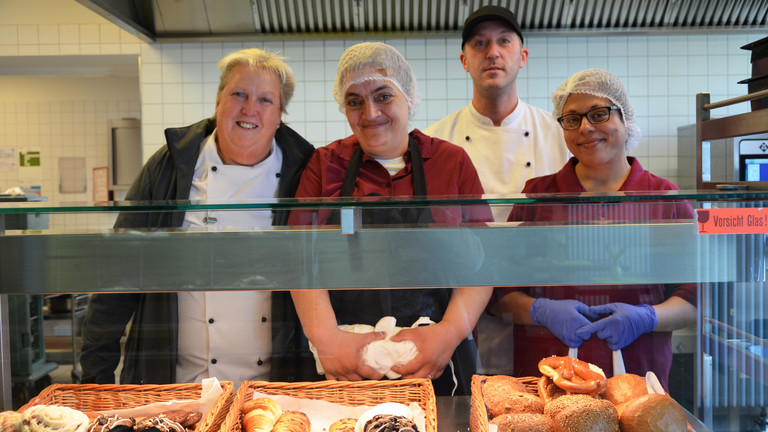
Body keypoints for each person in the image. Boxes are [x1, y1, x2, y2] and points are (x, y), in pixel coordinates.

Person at [80, 48, 316, 386]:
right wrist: (95, 377)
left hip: (272, 390)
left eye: (265, 100)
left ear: (280, 115)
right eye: (238, 94)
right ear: (218, 102)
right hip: (174, 386)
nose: (250, 109)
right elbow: (119, 274)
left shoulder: (305, 172)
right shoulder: (168, 168)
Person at [287, 42, 493, 396]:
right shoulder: (324, 164)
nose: (370, 113)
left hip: (434, 355)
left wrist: (448, 334)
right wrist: (326, 339)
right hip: (347, 360)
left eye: (383, 96)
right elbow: (298, 258)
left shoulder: (450, 162)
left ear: (409, 96)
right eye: (355, 101)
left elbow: (485, 262)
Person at [492, 68, 697, 390]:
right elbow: (500, 296)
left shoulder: (664, 199)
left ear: (625, 119)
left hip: (638, 379)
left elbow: (693, 301)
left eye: (599, 114)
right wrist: (541, 310)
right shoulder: (537, 197)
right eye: (572, 119)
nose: (585, 128)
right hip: (546, 379)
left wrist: (647, 317)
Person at [424, 5, 569, 222]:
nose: (492, 53)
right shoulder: (433, 142)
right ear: (464, 61)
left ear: (523, 57)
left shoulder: (561, 134)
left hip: (542, 255)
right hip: (467, 255)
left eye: (504, 41)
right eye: (480, 43)